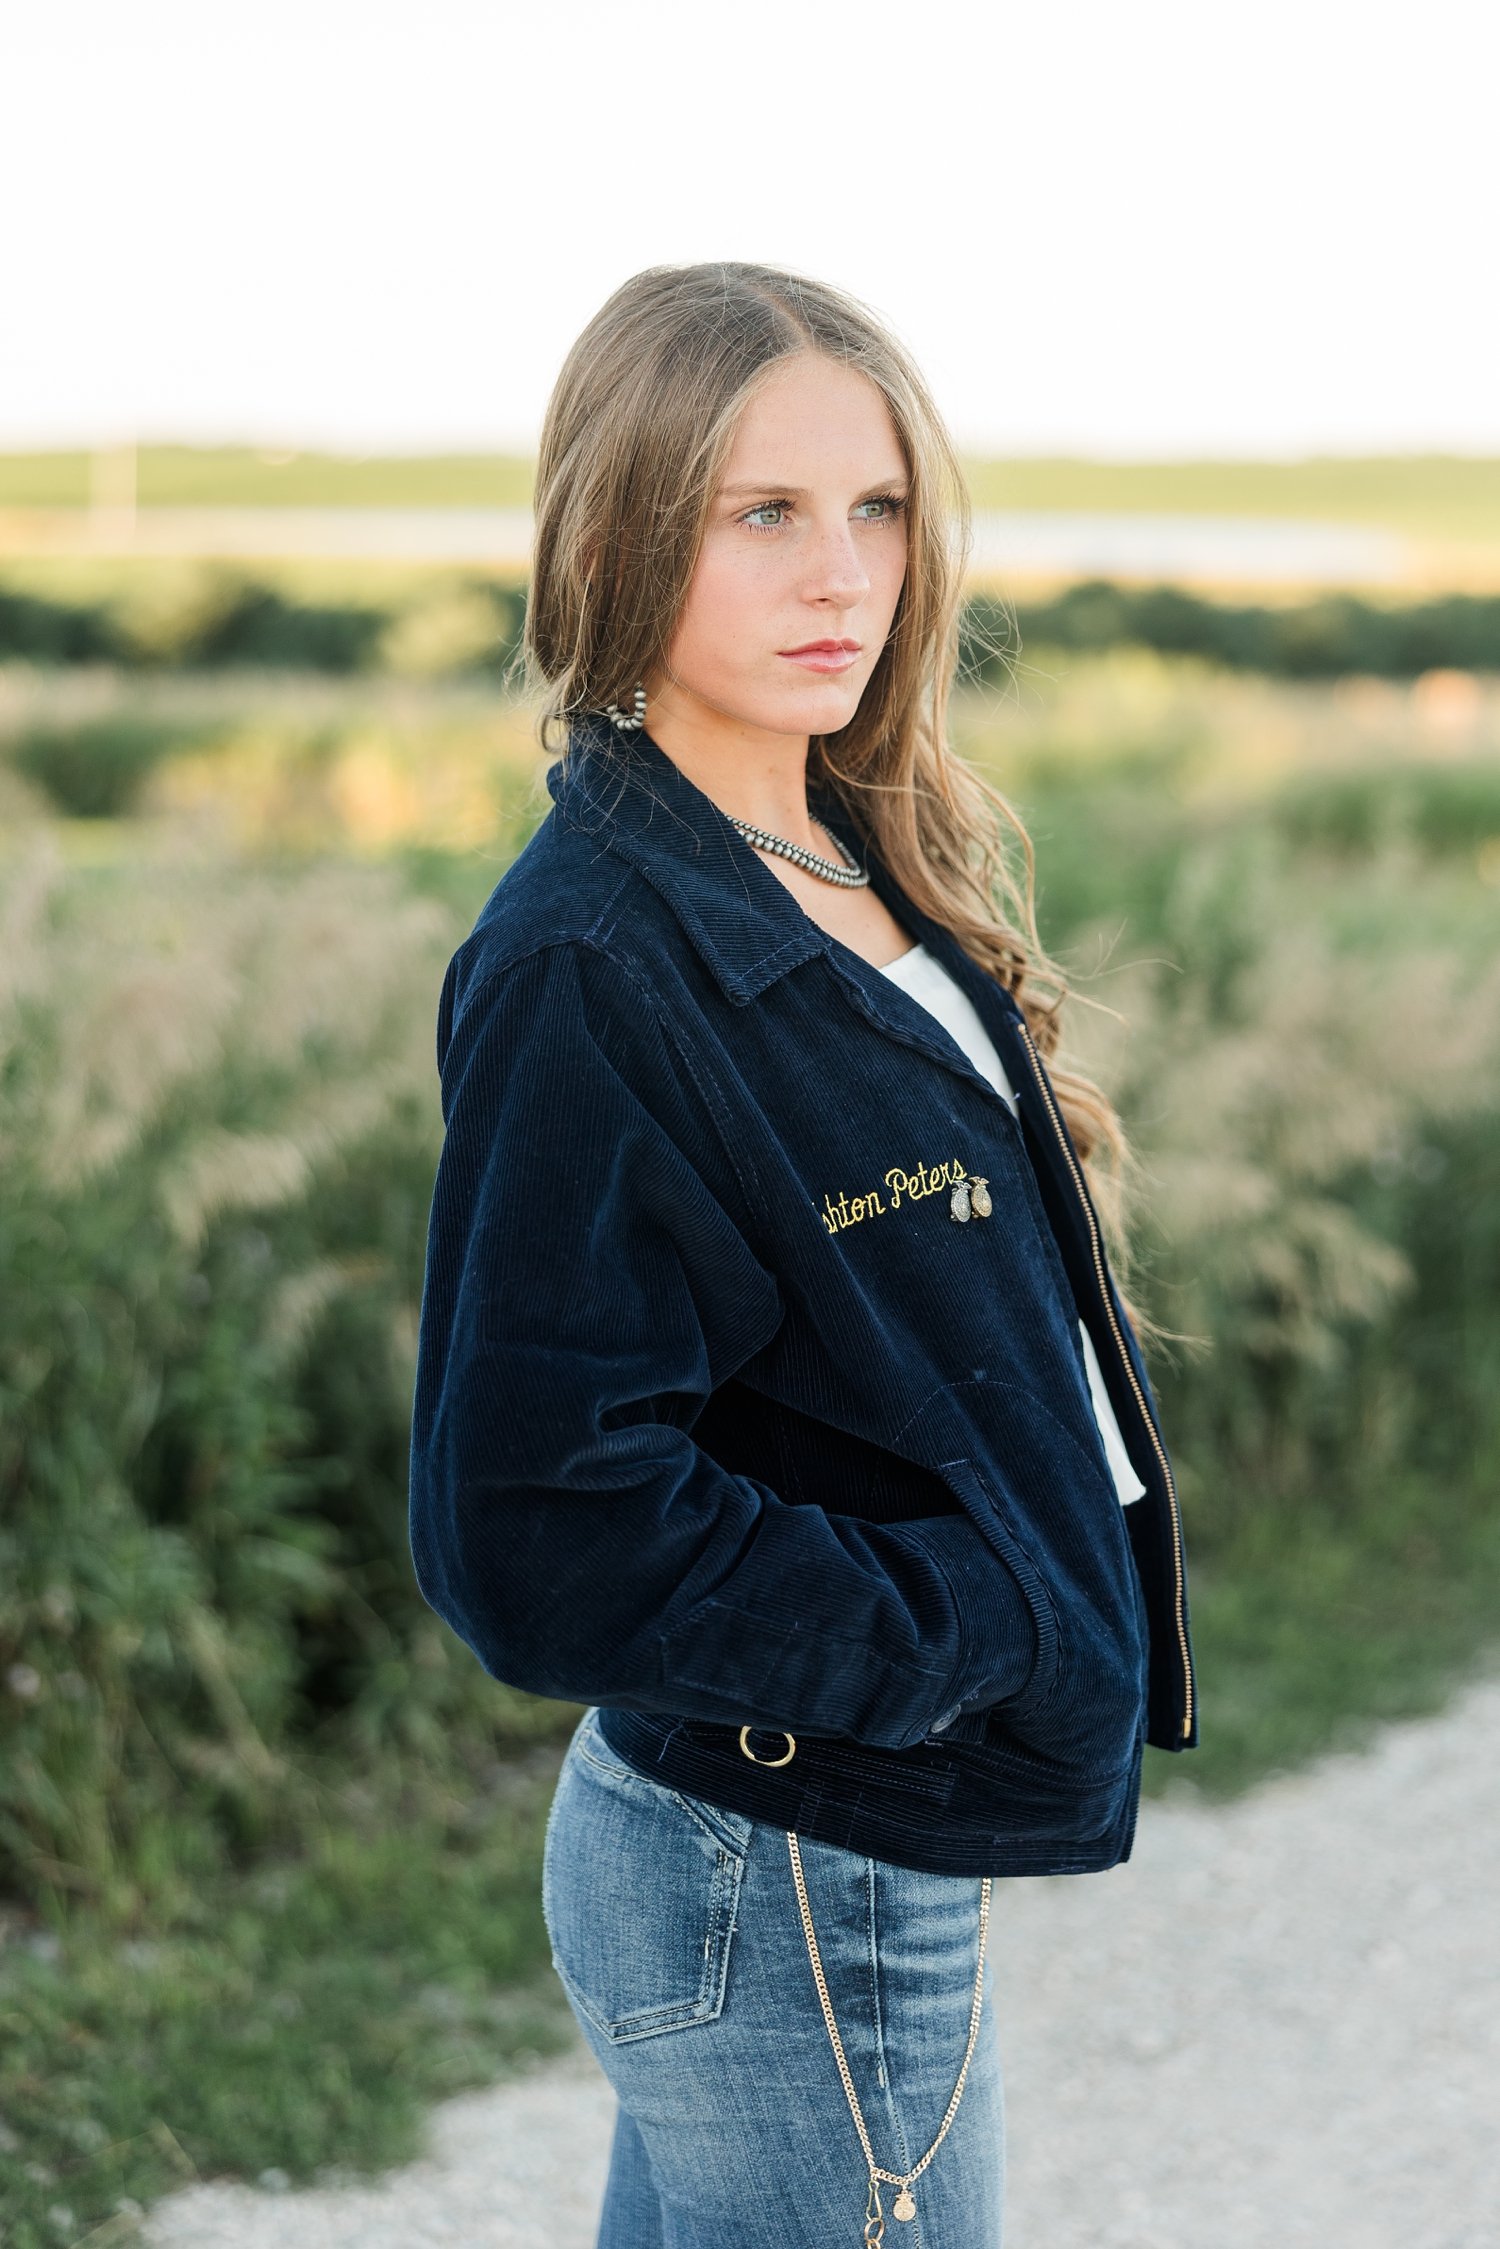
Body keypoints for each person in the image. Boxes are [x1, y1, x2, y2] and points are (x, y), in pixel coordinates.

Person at [409, 262, 1195, 2249]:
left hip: (815, 1836)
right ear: (622, 528)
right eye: (762, 513)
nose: (839, 573)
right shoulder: (598, 956)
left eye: (878, 508)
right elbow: (531, 1514)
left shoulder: (843, 843)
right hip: (791, 1853)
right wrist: (968, 1629)